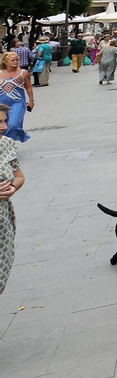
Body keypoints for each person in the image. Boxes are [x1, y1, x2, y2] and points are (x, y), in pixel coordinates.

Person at [0, 111, 22, 296]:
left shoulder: (6, 144)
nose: (4, 127)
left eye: (4, 121)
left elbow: (19, 177)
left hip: (3, 223)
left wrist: (12, 188)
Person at [1, 53, 33, 144]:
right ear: (5, 62)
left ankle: (5, 142)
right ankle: (6, 144)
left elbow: (29, 87)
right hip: (1, 104)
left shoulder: (23, 73)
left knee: (13, 124)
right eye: (13, 60)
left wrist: (31, 101)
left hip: (17, 103)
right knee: (2, 125)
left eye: (17, 60)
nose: (15, 62)